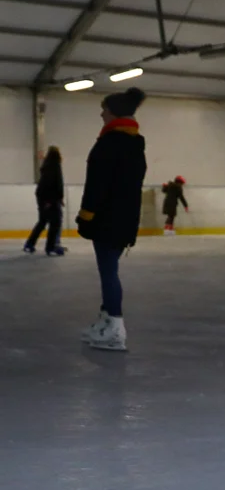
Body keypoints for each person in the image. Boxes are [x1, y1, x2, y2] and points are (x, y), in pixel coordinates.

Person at [75, 86, 147, 352]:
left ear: (114, 113)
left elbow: (97, 185)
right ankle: (106, 321)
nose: (101, 114)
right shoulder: (135, 144)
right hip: (125, 219)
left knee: (108, 273)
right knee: (110, 271)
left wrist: (86, 216)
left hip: (107, 220)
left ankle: (115, 328)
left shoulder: (109, 144)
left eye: (104, 109)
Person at [24, 146, 65, 256]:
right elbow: (54, 184)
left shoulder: (47, 166)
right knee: (55, 223)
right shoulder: (54, 166)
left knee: (43, 222)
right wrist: (51, 200)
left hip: (46, 198)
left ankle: (30, 244)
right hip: (50, 199)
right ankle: (50, 247)